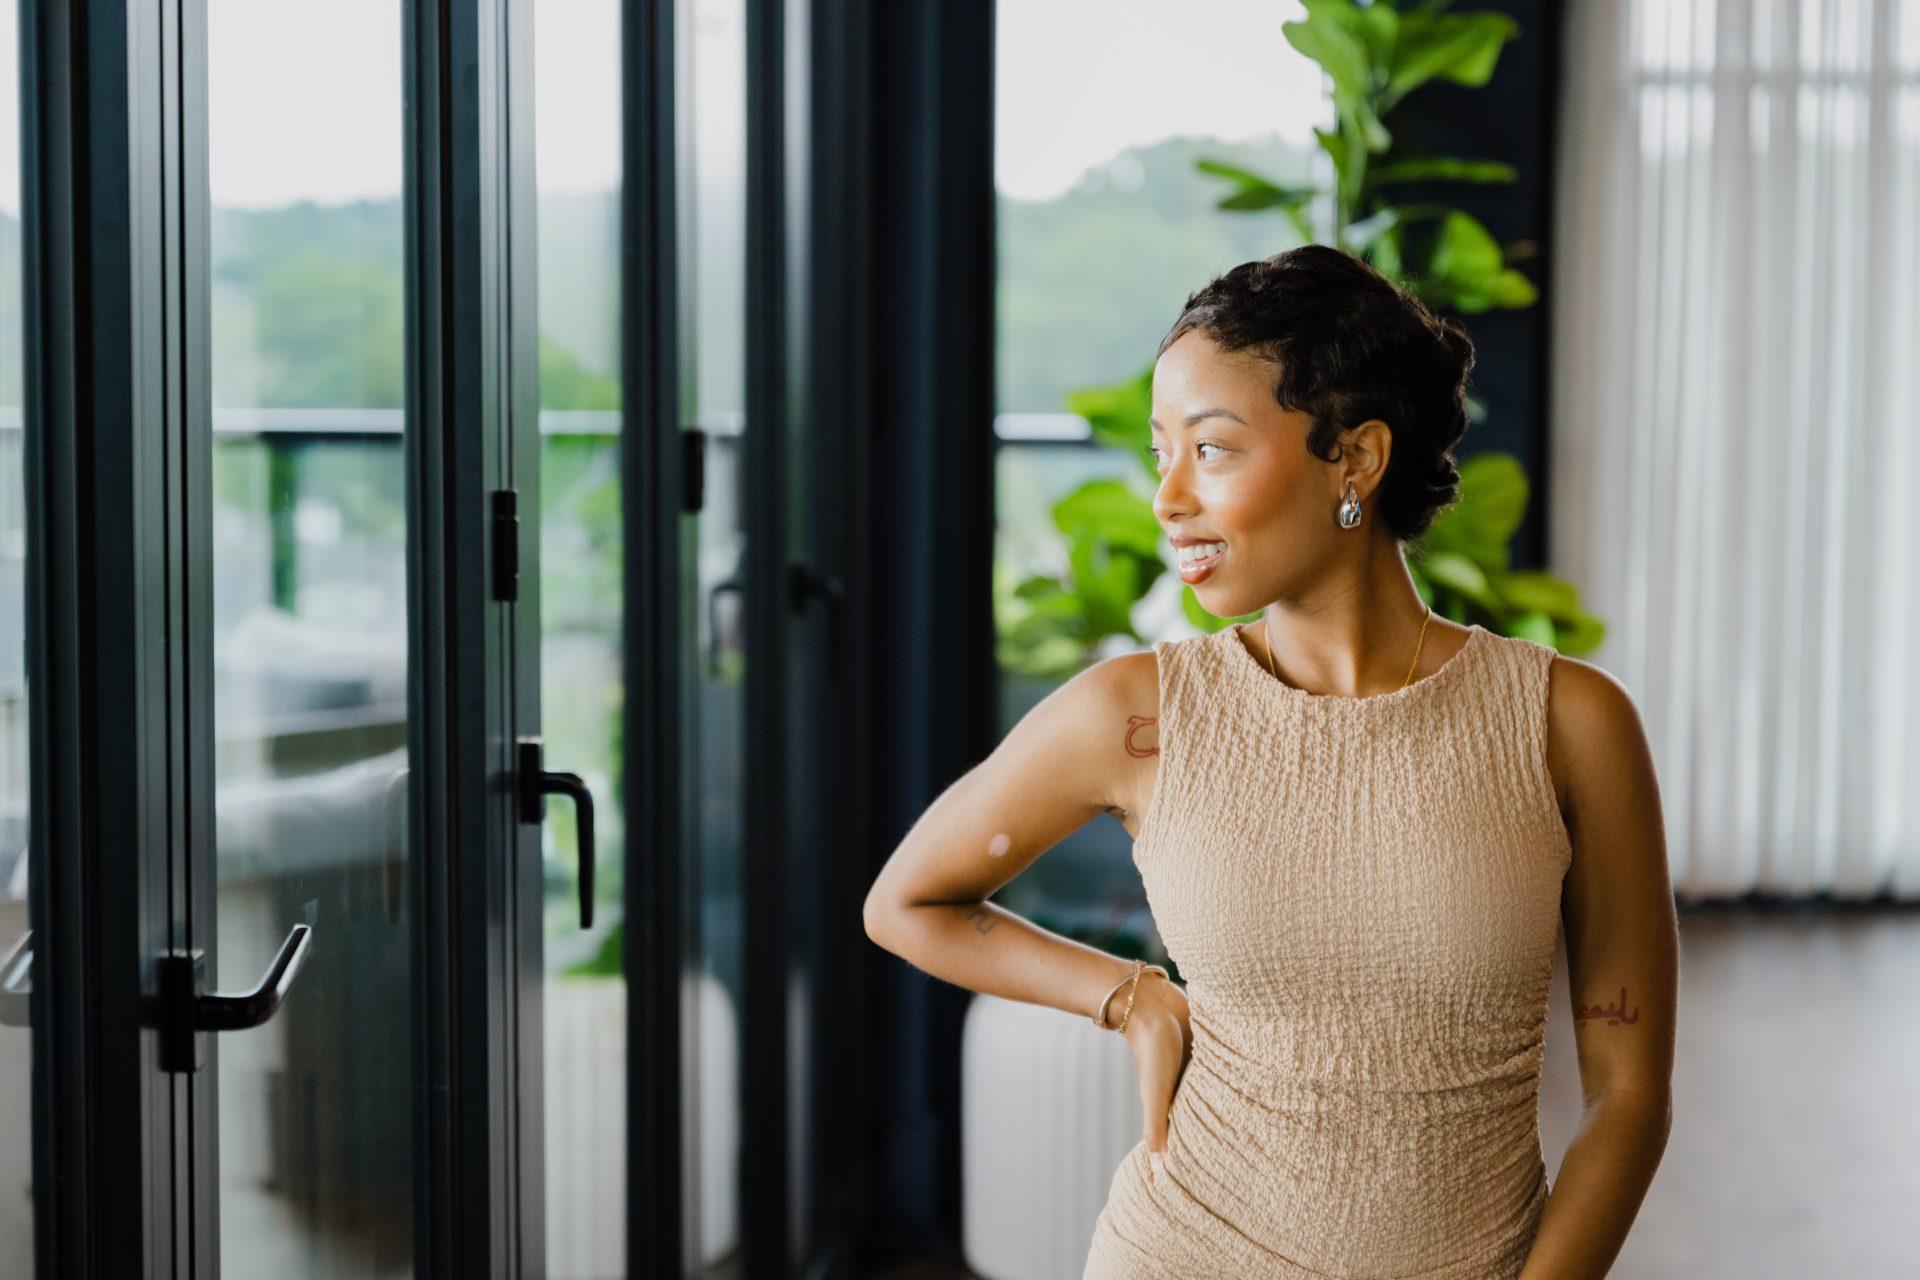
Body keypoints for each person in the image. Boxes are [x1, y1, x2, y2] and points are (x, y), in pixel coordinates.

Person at [863, 244, 1676, 1279]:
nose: (1166, 498)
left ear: (1356, 458)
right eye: (1161, 451)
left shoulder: (1567, 722)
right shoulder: (1137, 714)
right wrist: (1127, 993)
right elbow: (907, 901)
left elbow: (1629, 1091)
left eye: (1210, 449)